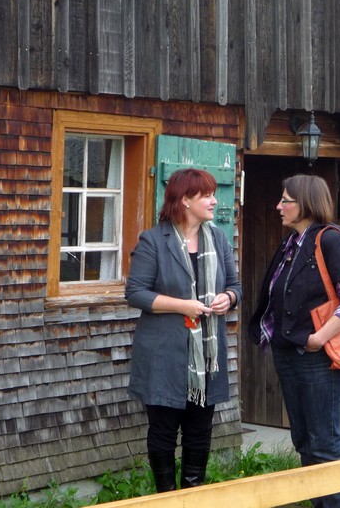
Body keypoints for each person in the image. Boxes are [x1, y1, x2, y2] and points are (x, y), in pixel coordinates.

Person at [248, 174, 340, 508]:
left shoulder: (331, 240)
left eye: (285, 200)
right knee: (303, 440)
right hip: (288, 353)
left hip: (317, 357)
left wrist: (318, 338)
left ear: (306, 204)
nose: (278, 206)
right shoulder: (291, 243)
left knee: (324, 442)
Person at [125, 168, 242, 493]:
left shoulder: (218, 239)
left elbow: (235, 285)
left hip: (207, 357)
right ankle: (166, 497)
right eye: (207, 195)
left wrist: (229, 298)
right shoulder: (153, 241)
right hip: (163, 354)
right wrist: (183, 306)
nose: (214, 201)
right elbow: (135, 293)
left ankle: (192, 495)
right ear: (185, 200)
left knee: (199, 432)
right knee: (163, 432)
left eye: (213, 194)